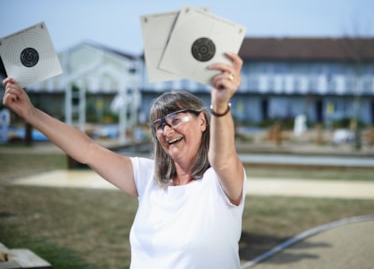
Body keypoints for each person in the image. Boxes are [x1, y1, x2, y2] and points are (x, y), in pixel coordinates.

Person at [2, 52, 246, 269]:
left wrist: (220, 104)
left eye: (175, 119)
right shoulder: (148, 177)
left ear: (203, 122)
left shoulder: (218, 182)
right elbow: (88, 150)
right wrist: (30, 113)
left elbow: (222, 160)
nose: (166, 130)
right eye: (159, 125)